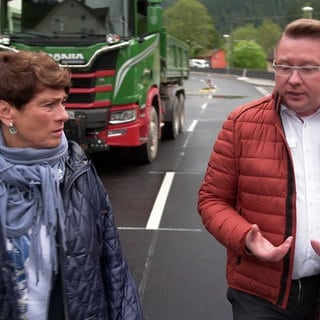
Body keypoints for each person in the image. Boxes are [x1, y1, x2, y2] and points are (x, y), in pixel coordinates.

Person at [0, 50, 143, 320]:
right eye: (48, 105)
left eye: (63, 102)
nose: (63, 115)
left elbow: (112, 263)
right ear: (6, 111)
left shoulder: (78, 169)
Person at [198, 18, 320, 320]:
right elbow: (211, 200)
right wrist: (245, 238)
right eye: (283, 67)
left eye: (307, 68)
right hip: (258, 295)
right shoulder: (241, 123)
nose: (292, 79)